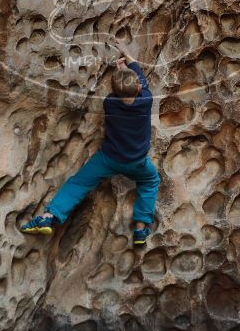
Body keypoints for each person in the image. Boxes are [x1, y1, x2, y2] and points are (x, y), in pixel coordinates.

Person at [19, 39, 160, 246]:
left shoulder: (110, 103)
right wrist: (126, 55)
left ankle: (49, 217)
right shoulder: (145, 100)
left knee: (78, 183)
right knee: (150, 181)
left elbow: (123, 89)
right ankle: (140, 228)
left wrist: (119, 75)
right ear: (138, 88)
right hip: (137, 161)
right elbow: (140, 77)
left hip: (109, 159)